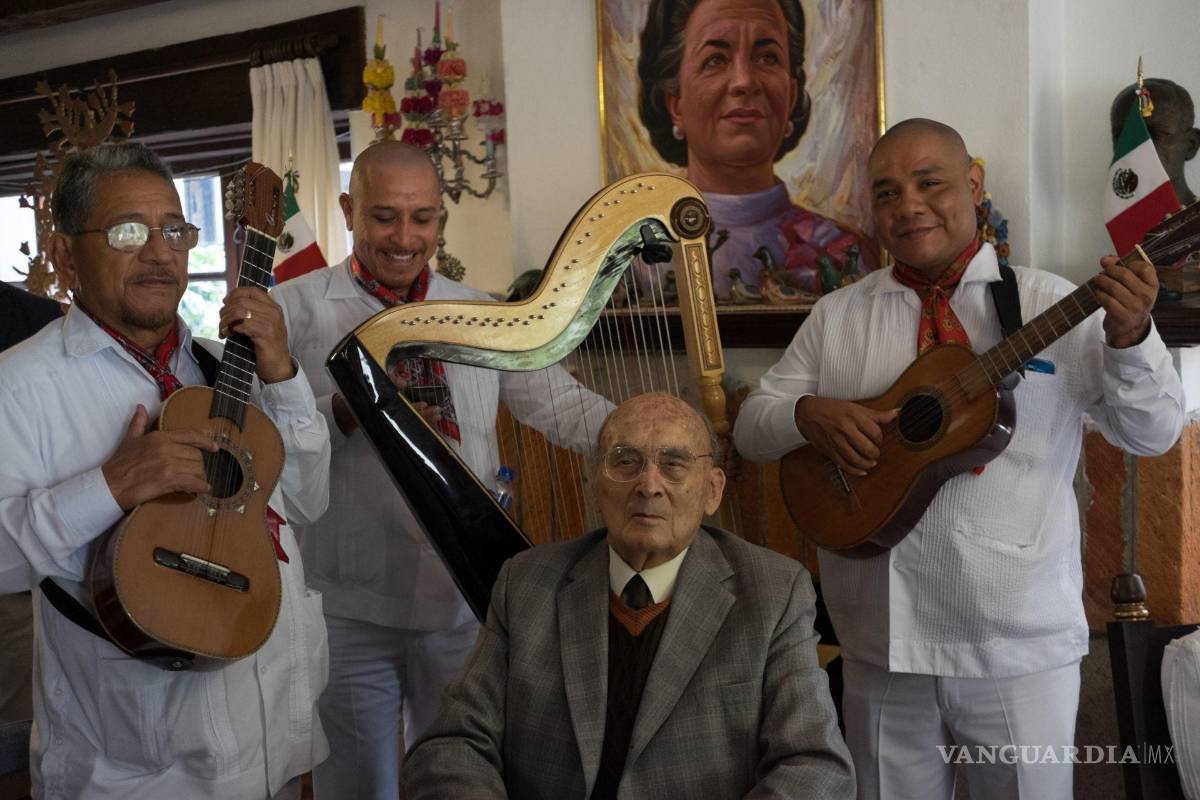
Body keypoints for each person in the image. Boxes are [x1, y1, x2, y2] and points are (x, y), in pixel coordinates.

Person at [732, 118, 1185, 800]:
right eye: (887, 192)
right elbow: (752, 429)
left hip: (1018, 653)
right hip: (879, 649)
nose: (908, 205)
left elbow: (1152, 433)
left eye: (930, 183)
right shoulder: (838, 317)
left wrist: (1132, 337)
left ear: (974, 186)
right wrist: (807, 414)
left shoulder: (1049, 303)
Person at [272, 140, 613, 800]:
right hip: (348, 603)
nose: (405, 238)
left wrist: (645, 431)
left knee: (459, 780)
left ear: (439, 218)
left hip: (463, 597)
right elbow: (267, 445)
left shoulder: (481, 313)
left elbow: (562, 405)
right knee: (358, 786)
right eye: (384, 217)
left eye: (422, 218)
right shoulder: (295, 310)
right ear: (348, 209)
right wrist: (351, 405)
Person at [0, 141, 332, 799]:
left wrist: (285, 378)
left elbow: (310, 502)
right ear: (67, 255)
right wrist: (110, 486)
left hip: (275, 736)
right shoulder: (19, 384)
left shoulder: (223, 365)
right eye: (128, 231)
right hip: (134, 771)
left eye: (175, 230)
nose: (159, 252)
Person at [401, 392, 855, 799]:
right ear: (595, 482)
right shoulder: (527, 584)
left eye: (674, 464)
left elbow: (814, 766)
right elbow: (452, 744)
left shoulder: (773, 592)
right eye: (625, 461)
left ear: (712, 490)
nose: (649, 485)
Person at [637, 0, 877, 301]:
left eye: (767, 57)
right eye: (715, 60)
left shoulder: (841, 252)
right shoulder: (637, 258)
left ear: (790, 96)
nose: (745, 82)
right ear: (675, 104)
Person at [1111, 77, 1200, 207]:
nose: (1136, 148)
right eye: (1124, 137)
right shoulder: (1119, 224)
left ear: (1191, 144)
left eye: (1153, 135)